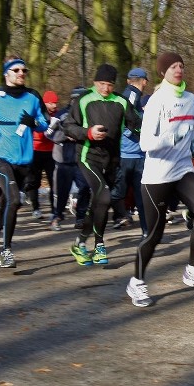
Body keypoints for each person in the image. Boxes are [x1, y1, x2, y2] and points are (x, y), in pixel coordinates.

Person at [126, 52, 194, 307]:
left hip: (183, 169)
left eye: (181, 66)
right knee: (154, 235)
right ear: (163, 72)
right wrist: (171, 139)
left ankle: (192, 269)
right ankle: (137, 282)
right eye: (173, 66)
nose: (178, 70)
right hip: (157, 175)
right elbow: (145, 144)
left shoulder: (192, 99)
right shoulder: (156, 101)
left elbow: (192, 134)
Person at [0, 56, 50, 268]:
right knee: (15, 200)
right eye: (16, 70)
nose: (21, 73)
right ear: (7, 73)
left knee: (8, 204)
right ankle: (7, 250)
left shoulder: (33, 97)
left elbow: (45, 123)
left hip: (23, 160)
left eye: (24, 70)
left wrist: (33, 122)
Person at [64, 64, 140, 266]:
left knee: (98, 203)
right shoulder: (84, 100)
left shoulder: (121, 101)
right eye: (101, 84)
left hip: (112, 160)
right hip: (89, 157)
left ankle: (79, 243)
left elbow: (137, 125)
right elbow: (68, 127)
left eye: (110, 85)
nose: (105, 89)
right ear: (95, 82)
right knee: (105, 198)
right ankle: (99, 245)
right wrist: (88, 133)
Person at [110, 67, 148, 236]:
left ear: (128, 80)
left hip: (135, 154)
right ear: (144, 82)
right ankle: (109, 219)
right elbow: (129, 123)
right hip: (127, 154)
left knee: (139, 195)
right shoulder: (132, 95)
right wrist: (142, 130)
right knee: (118, 193)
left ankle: (147, 232)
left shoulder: (132, 95)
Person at [48, 87, 92, 231]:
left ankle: (80, 217)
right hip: (64, 161)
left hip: (81, 159)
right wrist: (65, 136)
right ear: (74, 99)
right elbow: (48, 133)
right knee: (62, 192)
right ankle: (57, 216)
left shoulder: (89, 114)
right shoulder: (60, 115)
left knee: (85, 187)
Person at [24, 90, 59, 221]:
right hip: (35, 151)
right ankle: (35, 208)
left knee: (53, 182)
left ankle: (54, 210)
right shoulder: (37, 112)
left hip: (51, 153)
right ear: (45, 103)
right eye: (51, 103)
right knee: (34, 181)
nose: (54, 105)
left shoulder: (58, 115)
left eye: (55, 103)